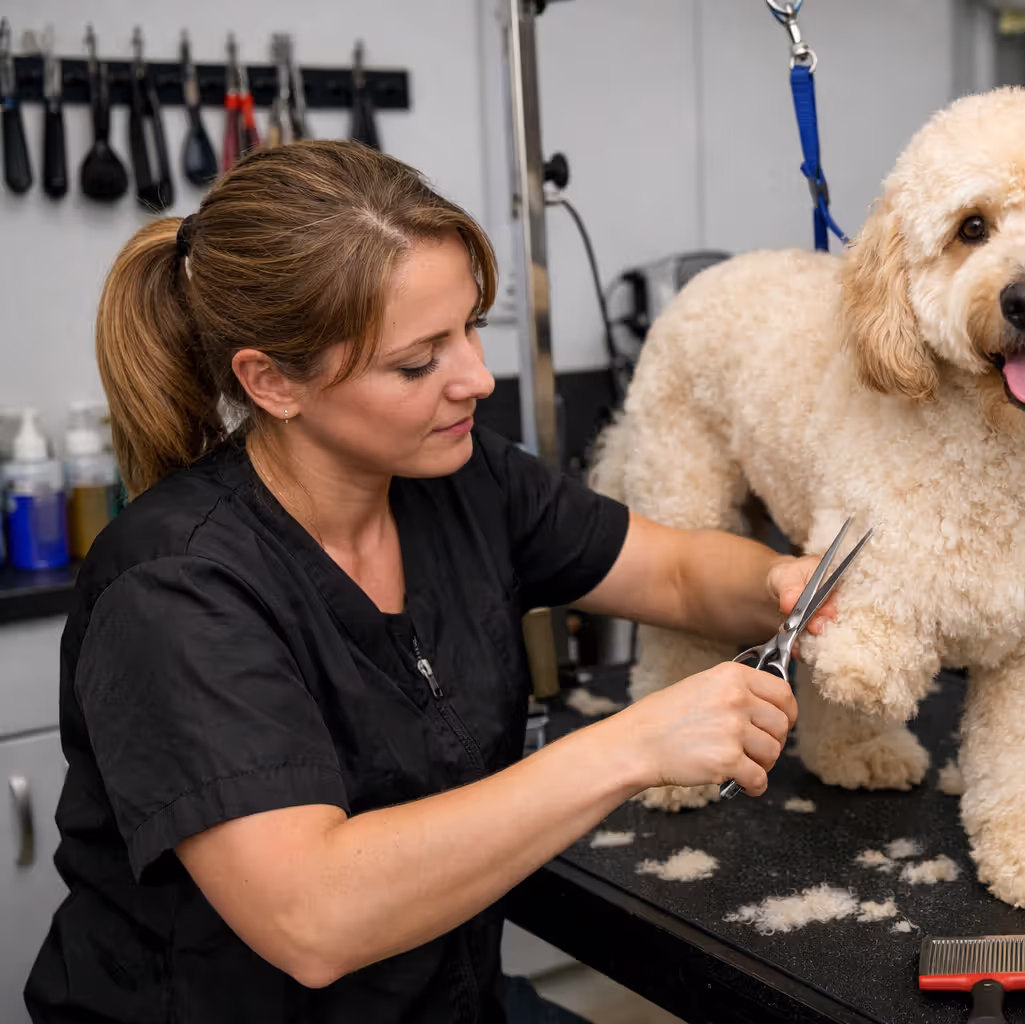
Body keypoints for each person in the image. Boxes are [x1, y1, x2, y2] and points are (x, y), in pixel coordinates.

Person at [25, 140, 834, 1023]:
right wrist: (634, 747)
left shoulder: (459, 477)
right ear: (272, 381)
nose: (478, 379)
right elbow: (315, 916)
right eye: (419, 362)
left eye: (472, 327)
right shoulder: (175, 589)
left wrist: (795, 584)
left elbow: (676, 574)